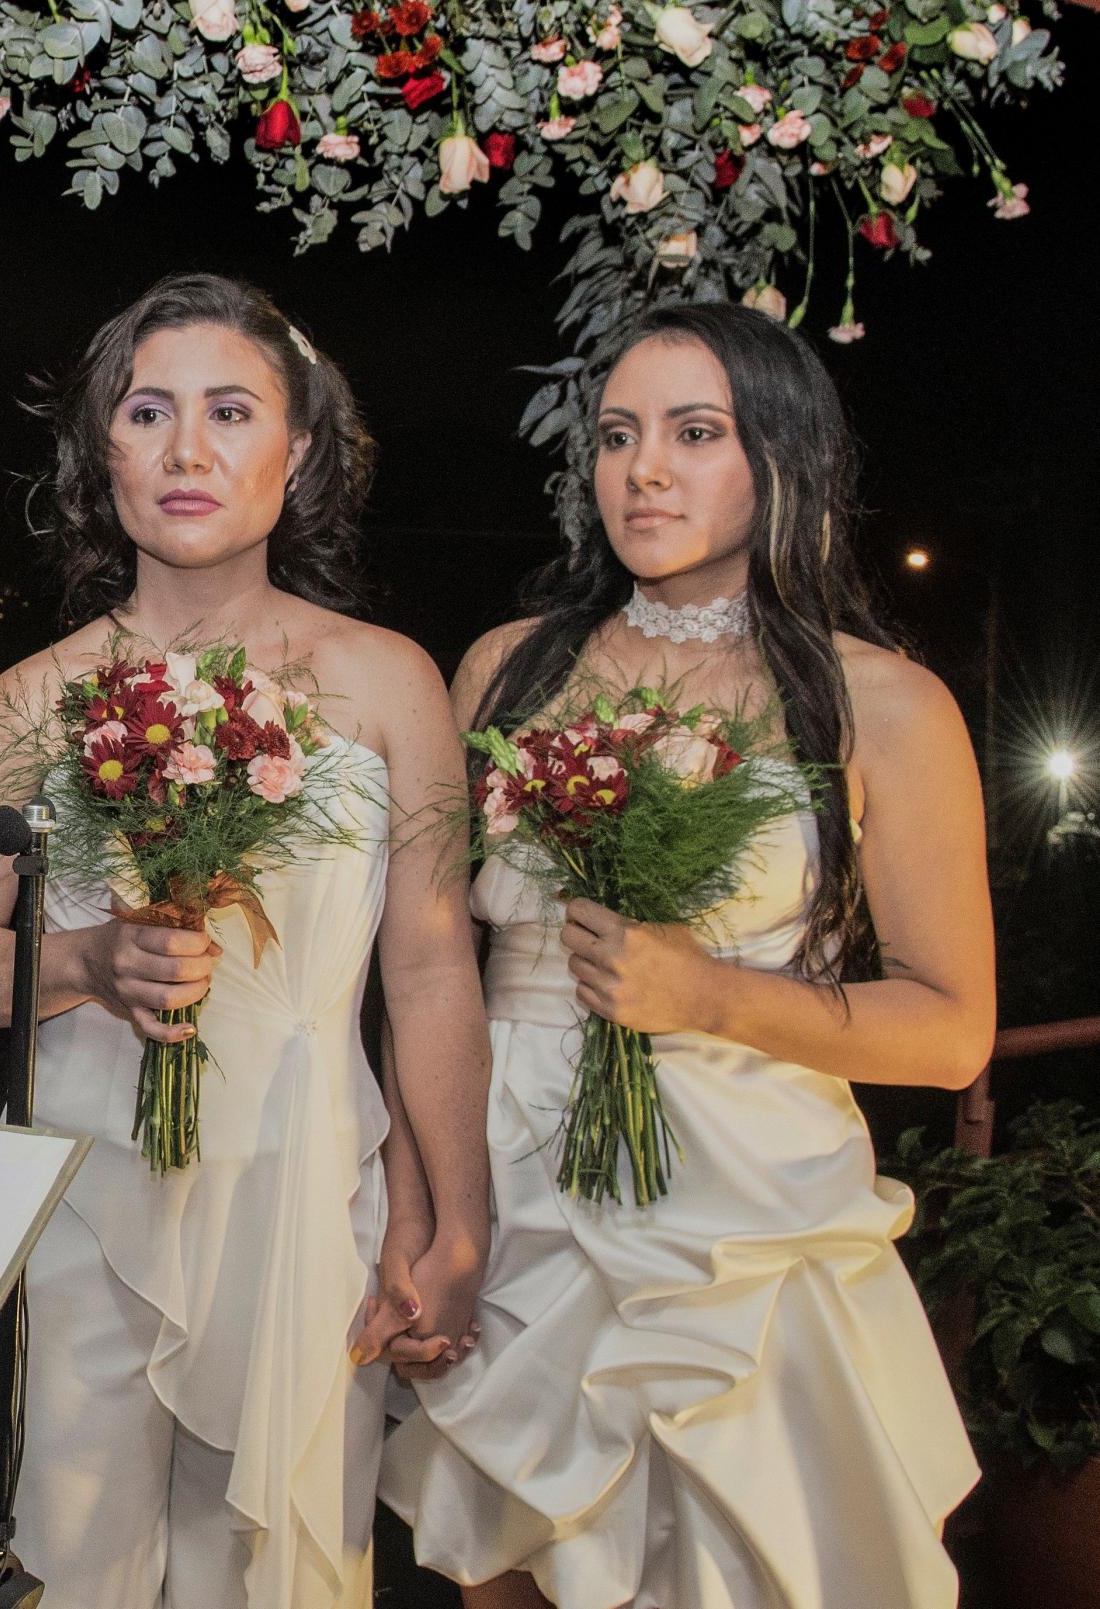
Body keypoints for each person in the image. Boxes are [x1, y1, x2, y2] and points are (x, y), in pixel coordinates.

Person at [379, 300, 990, 1608]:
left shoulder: (883, 700)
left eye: (693, 432)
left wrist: (707, 993)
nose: (641, 468)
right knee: (513, 1572)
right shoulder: (505, 668)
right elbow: (434, 976)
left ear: (783, 458)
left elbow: (953, 1032)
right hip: (522, 1207)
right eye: (616, 435)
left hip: (745, 1230)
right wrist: (424, 1212)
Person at [0, 272, 492, 1608]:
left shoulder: (392, 680)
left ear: (300, 451)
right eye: (146, 410)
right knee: (60, 1560)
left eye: (231, 410)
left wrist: (452, 1214)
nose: (185, 448)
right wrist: (85, 964)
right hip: (73, 1212)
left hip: (304, 1208)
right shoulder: (29, 699)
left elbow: (431, 967)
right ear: (99, 452)